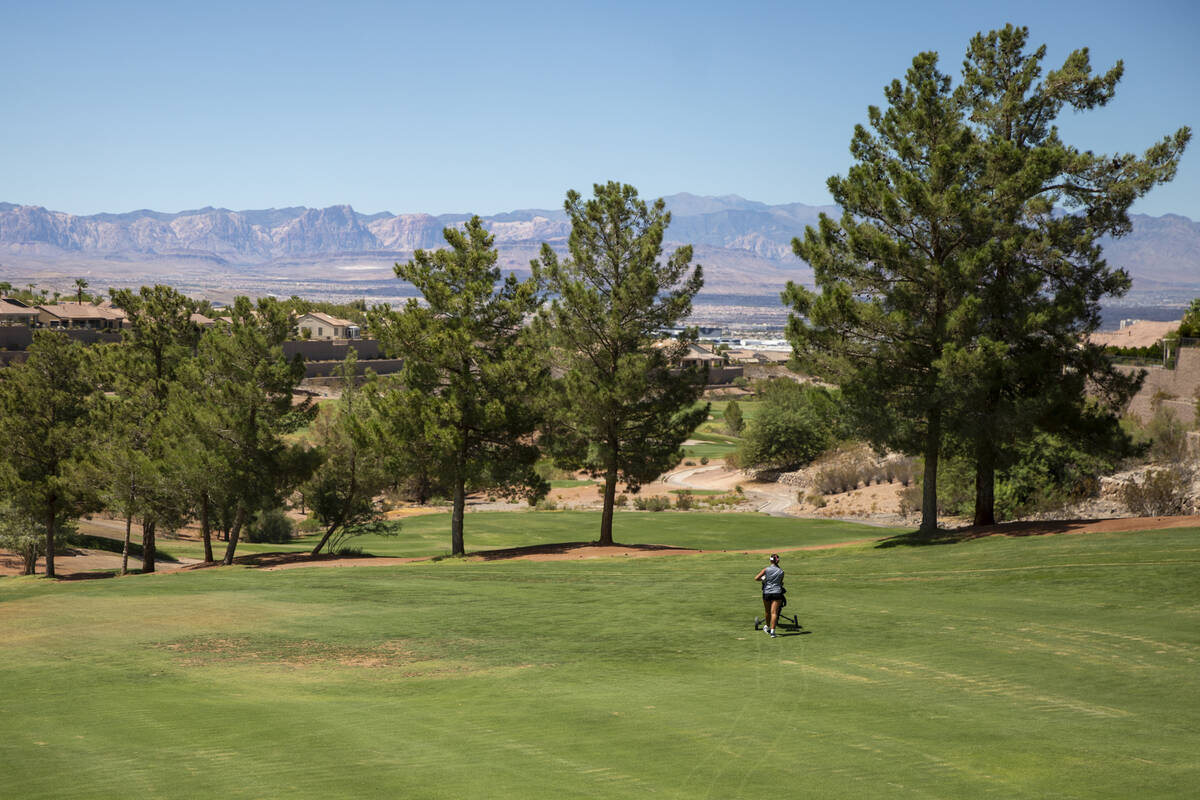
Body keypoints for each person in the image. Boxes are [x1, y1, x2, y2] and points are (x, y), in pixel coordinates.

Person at [755, 553, 785, 637]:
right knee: (774, 612)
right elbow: (781, 582)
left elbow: (756, 578)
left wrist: (764, 579)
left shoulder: (766, 569)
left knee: (767, 612)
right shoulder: (781, 571)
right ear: (777, 561)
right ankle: (772, 632)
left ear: (770, 560)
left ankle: (767, 627)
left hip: (767, 592)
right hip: (777, 593)